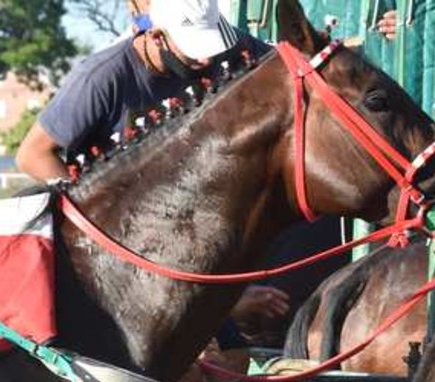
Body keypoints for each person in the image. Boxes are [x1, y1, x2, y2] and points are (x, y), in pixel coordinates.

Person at [16, 0, 291, 345]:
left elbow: (293, 63)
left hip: (190, 231)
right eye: (193, 50)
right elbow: (32, 155)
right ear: (156, 36)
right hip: (120, 249)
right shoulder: (102, 78)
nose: (205, 60)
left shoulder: (227, 51)